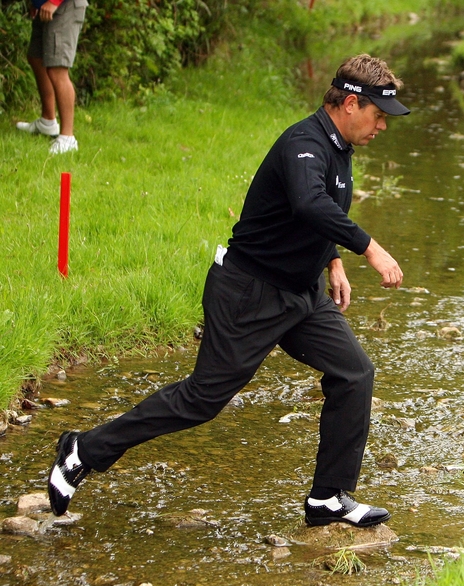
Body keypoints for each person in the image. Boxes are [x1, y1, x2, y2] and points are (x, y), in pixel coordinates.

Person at [47, 54, 411, 527]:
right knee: (203, 398)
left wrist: (333, 260)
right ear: (349, 103)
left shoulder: (339, 148)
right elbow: (307, 202)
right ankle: (84, 449)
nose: (382, 125)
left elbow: (312, 212)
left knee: (355, 374)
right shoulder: (303, 142)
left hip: (300, 295)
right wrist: (368, 248)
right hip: (249, 291)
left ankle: (328, 498)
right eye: (378, 115)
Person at [16, 0, 87, 154]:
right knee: (36, 58)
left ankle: (67, 138)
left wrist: (54, 1)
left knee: (57, 69)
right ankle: (47, 122)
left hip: (64, 6)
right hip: (45, 6)